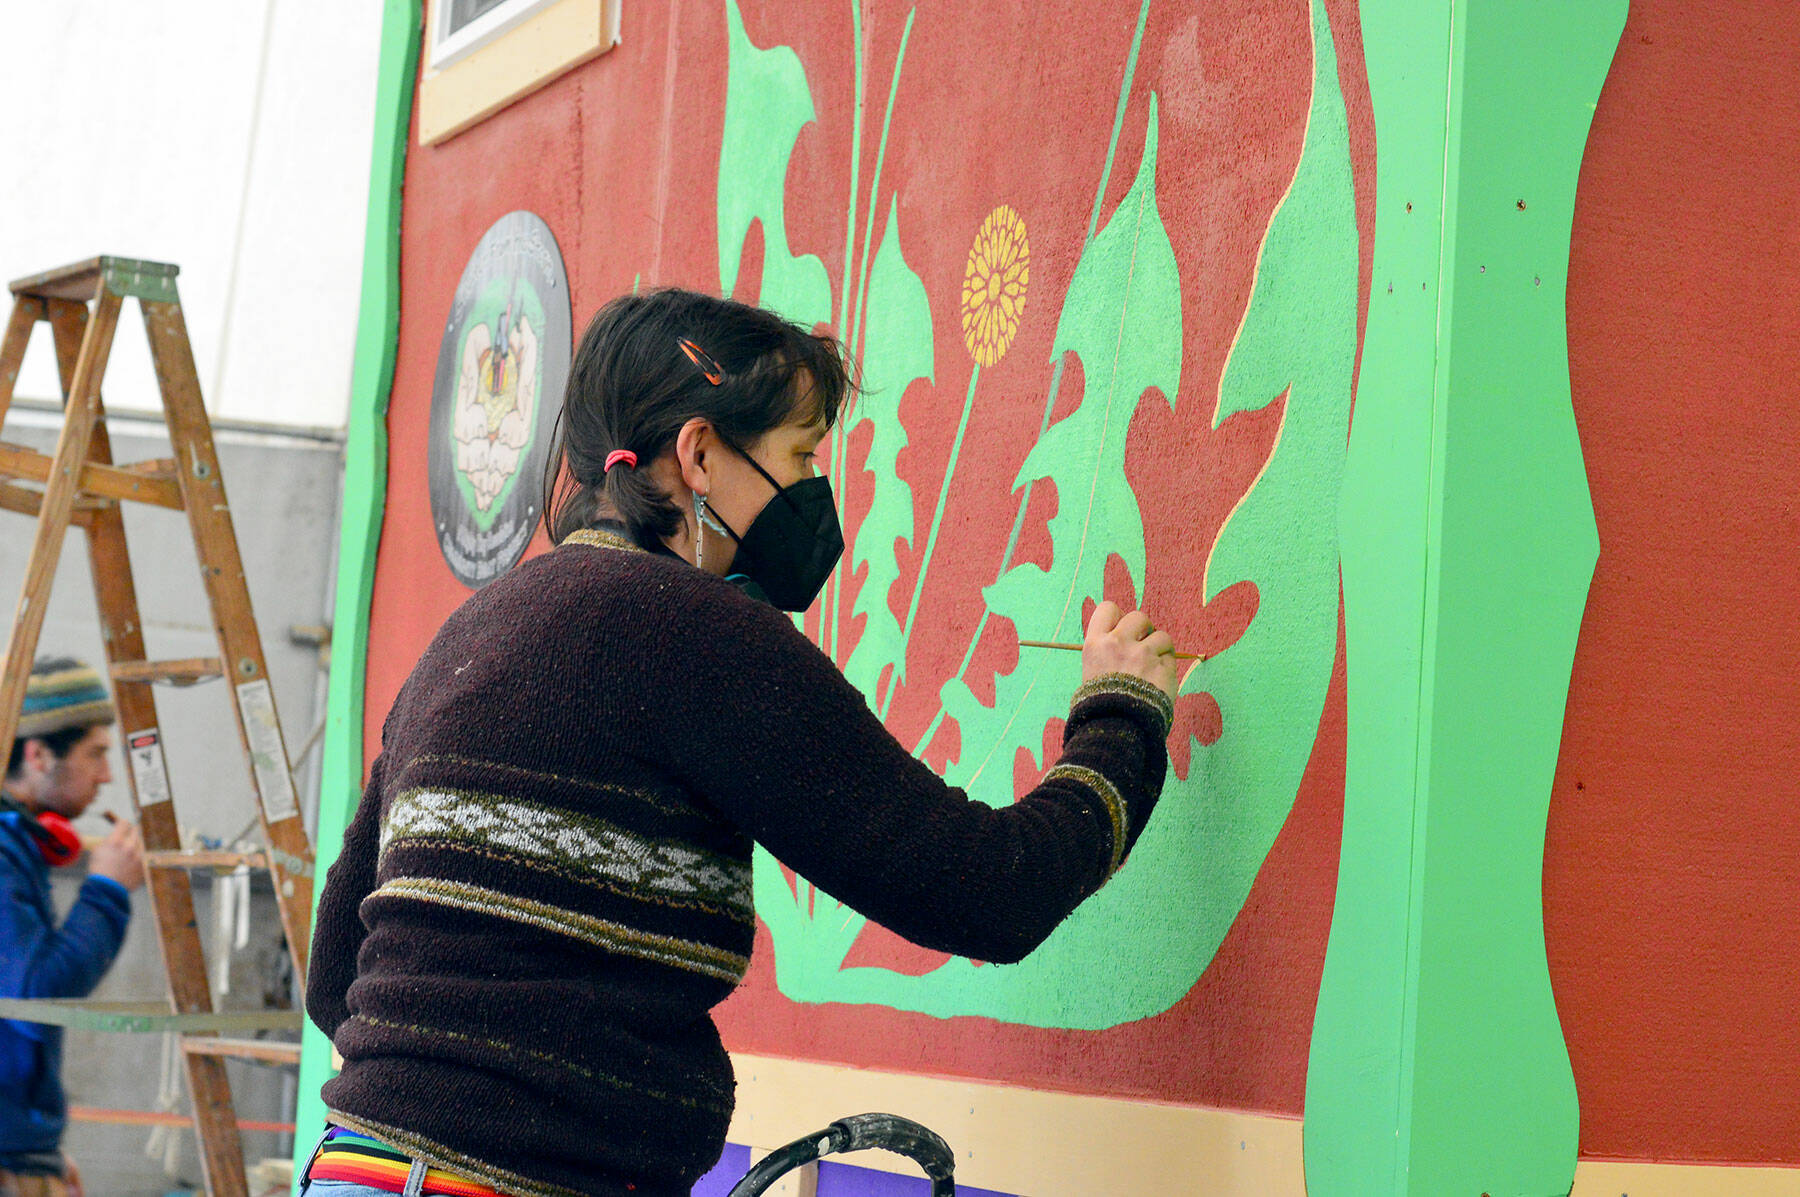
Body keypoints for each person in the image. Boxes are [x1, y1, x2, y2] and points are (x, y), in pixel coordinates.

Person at [303, 289, 1181, 1197]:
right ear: (700, 455)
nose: (811, 489)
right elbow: (990, 891)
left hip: (354, 1171)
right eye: (799, 453)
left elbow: (336, 974)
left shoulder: (472, 630)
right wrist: (1121, 718)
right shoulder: (700, 637)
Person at [1, 658, 146, 1197]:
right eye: (96, 754)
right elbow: (38, 1000)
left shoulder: (19, 847)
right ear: (38, 755)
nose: (106, 775)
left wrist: (40, 1151)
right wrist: (106, 893)